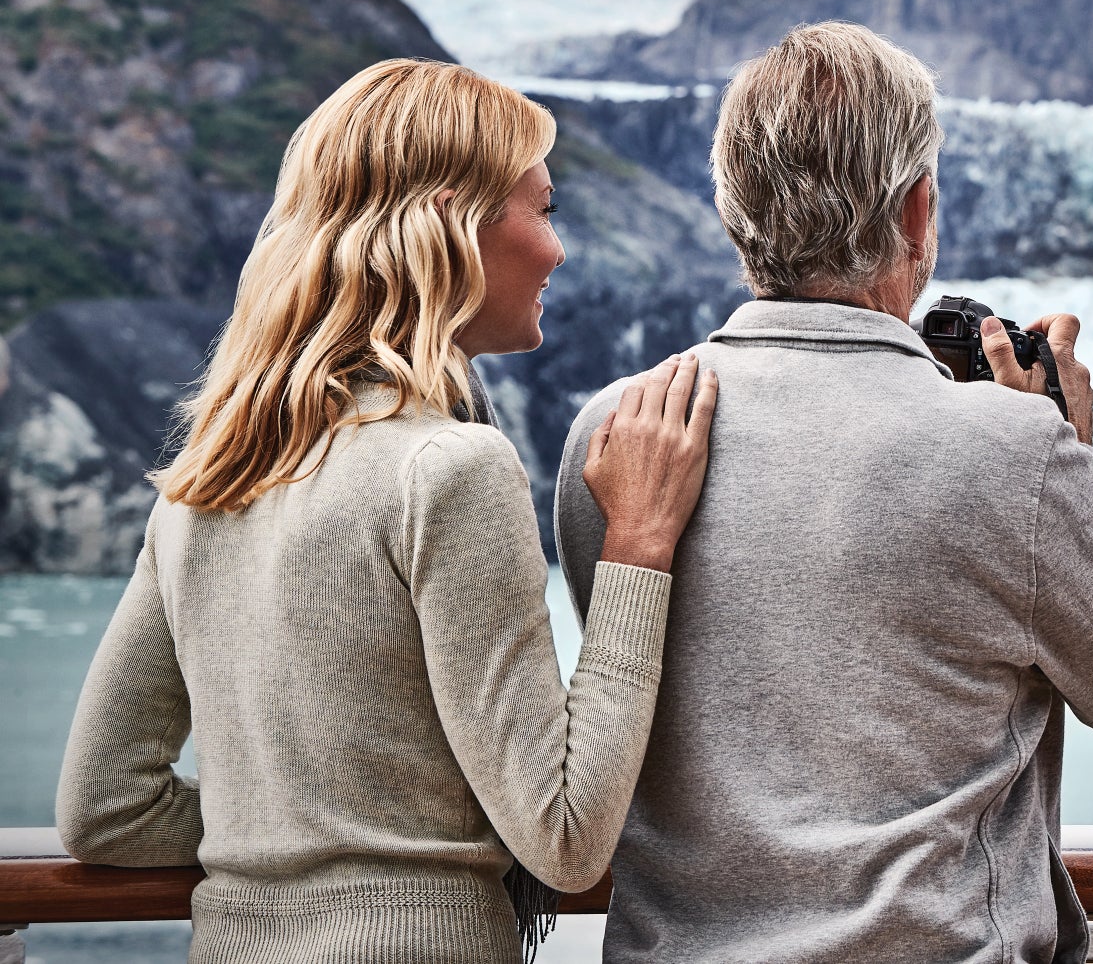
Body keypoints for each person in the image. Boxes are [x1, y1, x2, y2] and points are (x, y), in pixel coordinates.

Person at [556, 21, 1093, 963]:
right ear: (916, 212)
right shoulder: (1009, 453)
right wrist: (1074, 458)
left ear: (734, 210)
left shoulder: (616, 435)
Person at [56, 59, 717, 963]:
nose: (558, 250)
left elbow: (106, 809)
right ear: (450, 222)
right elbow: (566, 840)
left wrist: (303, 830)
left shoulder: (205, 486)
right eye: (544, 209)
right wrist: (639, 543)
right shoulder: (448, 469)